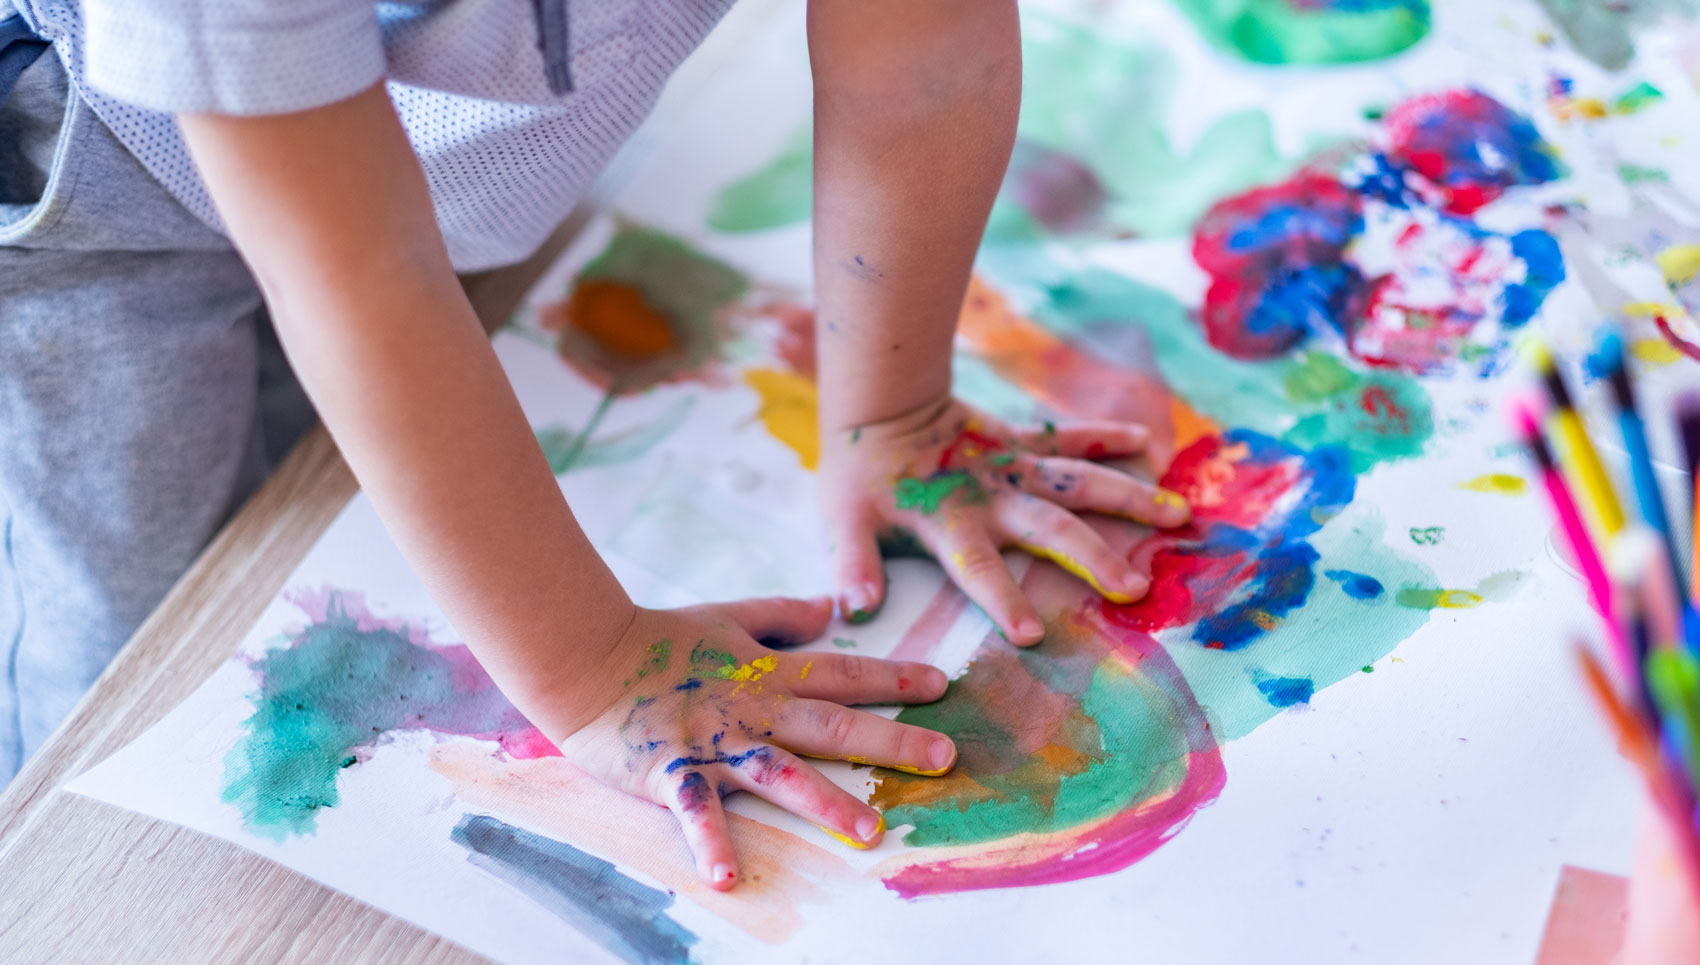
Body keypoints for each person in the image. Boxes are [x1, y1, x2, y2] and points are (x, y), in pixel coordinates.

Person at [0, 0, 1188, 886]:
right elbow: (361, 276)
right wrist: (593, 666)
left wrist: (897, 415)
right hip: (96, 200)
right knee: (143, 649)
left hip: (434, 145)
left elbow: (922, 55)